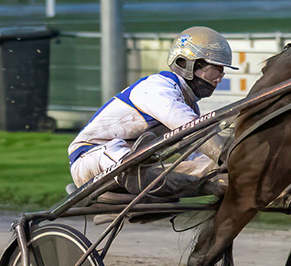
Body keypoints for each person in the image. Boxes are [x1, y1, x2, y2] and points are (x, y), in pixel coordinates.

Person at [67, 26, 237, 197]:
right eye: (216, 69)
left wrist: (224, 169)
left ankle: (155, 186)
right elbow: (192, 129)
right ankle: (144, 185)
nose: (219, 78)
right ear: (187, 64)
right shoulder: (158, 87)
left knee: (211, 169)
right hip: (92, 158)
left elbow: (196, 154)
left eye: (222, 71)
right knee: (129, 161)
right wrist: (227, 154)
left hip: (132, 163)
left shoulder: (189, 105)